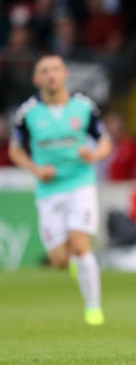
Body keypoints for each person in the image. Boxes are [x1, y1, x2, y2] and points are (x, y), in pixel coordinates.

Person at [8, 54, 112, 325]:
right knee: (59, 260)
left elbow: (105, 142)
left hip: (80, 183)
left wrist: (93, 155)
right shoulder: (28, 113)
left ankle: (93, 309)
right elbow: (15, 151)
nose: (51, 75)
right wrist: (36, 170)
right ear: (36, 79)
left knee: (80, 245)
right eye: (44, 71)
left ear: (65, 74)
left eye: (55, 69)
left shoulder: (83, 106)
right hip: (49, 190)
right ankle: (76, 265)